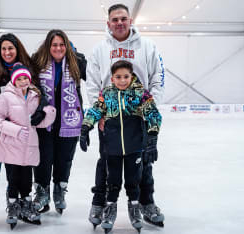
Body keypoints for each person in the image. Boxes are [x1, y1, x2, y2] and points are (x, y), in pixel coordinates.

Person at [85, 3, 166, 228]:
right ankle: (100, 204)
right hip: (109, 118)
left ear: (130, 21)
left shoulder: (147, 46)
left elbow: (158, 77)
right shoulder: (100, 49)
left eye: (123, 18)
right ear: (108, 23)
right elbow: (92, 83)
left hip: (138, 118)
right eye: (115, 19)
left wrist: (151, 109)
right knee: (106, 163)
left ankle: (146, 203)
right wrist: (99, 112)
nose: (119, 23)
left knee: (143, 163)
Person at [80, 60, 162, 233]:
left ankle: (134, 208)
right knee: (113, 180)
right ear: (112, 78)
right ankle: (110, 208)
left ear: (131, 76)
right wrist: (86, 127)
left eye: (126, 76)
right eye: (118, 77)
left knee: (133, 181)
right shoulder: (107, 93)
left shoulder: (140, 93)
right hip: (112, 147)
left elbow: (153, 112)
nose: (122, 80)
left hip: (134, 147)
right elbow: (96, 109)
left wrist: (152, 137)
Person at [0, 64, 56, 229]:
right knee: (13, 178)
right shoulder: (6, 97)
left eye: (25, 78)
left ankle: (26, 204)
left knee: (27, 178)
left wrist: (47, 113)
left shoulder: (35, 95)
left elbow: (42, 124)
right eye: (19, 79)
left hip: (29, 145)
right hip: (12, 145)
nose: (23, 81)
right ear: (14, 80)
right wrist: (16, 130)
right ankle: (13, 206)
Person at [0, 33, 35, 226]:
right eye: (3, 49)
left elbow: (35, 92)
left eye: (10, 48)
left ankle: (14, 202)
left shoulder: (25, 70)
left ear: (17, 49)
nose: (7, 52)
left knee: (14, 168)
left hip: (17, 129)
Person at [31, 29, 85, 214]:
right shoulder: (37, 62)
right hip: (44, 120)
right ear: (48, 46)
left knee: (64, 159)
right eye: (54, 44)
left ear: (67, 46)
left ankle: (59, 191)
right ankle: (41, 193)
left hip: (69, 119)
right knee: (43, 159)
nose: (58, 48)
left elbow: (96, 78)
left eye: (62, 44)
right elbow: (30, 84)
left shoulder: (76, 62)